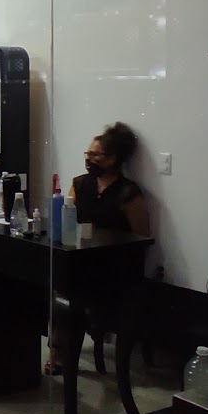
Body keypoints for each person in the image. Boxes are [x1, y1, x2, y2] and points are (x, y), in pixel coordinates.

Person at [47, 121, 150, 375]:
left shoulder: (128, 193)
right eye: (88, 154)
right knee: (58, 282)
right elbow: (67, 220)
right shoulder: (80, 184)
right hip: (82, 259)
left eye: (96, 155)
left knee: (70, 289)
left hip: (115, 268)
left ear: (113, 159)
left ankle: (61, 353)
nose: (89, 159)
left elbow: (142, 237)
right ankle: (59, 351)